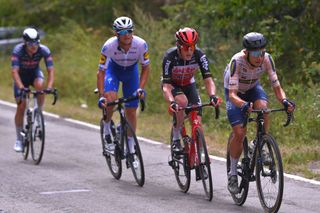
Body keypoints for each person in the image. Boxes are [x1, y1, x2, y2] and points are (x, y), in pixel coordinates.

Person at [224, 32, 295, 194]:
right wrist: (243, 105)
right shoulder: (237, 61)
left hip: (253, 88)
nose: (259, 57)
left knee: (264, 107)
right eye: (256, 53)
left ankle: (258, 143)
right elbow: (233, 95)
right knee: (239, 133)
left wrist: (284, 101)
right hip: (234, 92)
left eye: (262, 52)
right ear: (246, 52)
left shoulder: (267, 59)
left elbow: (277, 87)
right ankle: (233, 173)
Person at [161, 27, 221, 153]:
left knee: (197, 122)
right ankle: (176, 137)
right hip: (173, 85)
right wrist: (172, 102)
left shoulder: (199, 55)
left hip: (189, 85)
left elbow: (208, 79)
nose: (189, 50)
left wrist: (212, 95)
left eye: (192, 46)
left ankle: (201, 155)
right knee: (182, 102)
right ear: (178, 46)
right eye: (185, 47)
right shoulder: (170, 57)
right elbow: (166, 87)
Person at [97, 16, 150, 154]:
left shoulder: (141, 45)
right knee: (111, 99)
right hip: (113, 71)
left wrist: (140, 88)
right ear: (116, 33)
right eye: (122, 32)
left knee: (131, 110)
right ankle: (107, 126)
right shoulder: (108, 46)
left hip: (131, 72)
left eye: (129, 31)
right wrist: (102, 95)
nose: (126, 35)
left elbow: (146, 68)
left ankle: (131, 147)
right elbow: (101, 72)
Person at [11, 27, 55, 152]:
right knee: (21, 106)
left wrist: (50, 86)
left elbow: (50, 70)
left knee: (40, 86)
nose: (34, 46)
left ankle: (39, 112)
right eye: (30, 43)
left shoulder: (44, 50)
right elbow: (14, 72)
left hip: (35, 73)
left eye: (36, 43)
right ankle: (19, 139)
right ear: (25, 43)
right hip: (21, 77)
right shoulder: (18, 51)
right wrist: (21, 87)